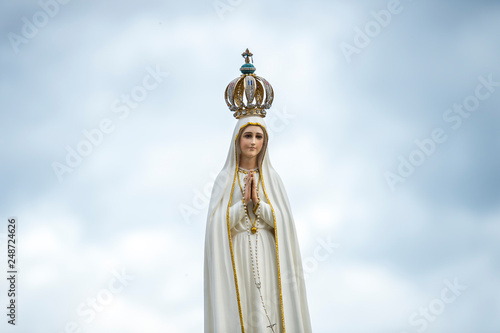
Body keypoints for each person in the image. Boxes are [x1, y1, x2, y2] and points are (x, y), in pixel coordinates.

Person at [204, 50, 312, 333]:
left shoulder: (273, 179)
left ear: (266, 142)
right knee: (245, 312)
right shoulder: (223, 180)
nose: (253, 142)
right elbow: (216, 228)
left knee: (269, 316)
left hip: (267, 252)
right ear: (237, 140)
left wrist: (260, 205)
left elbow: (284, 224)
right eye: (248, 135)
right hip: (237, 253)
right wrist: (242, 205)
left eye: (259, 136)